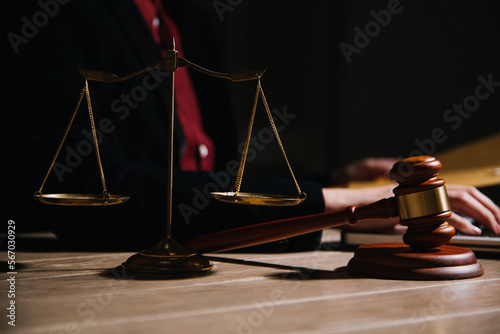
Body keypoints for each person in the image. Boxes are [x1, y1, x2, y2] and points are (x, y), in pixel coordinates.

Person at [7, 0, 499, 251]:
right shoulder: (46, 13)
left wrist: (332, 181)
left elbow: (204, 180)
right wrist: (339, 204)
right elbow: (91, 192)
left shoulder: (186, 19)